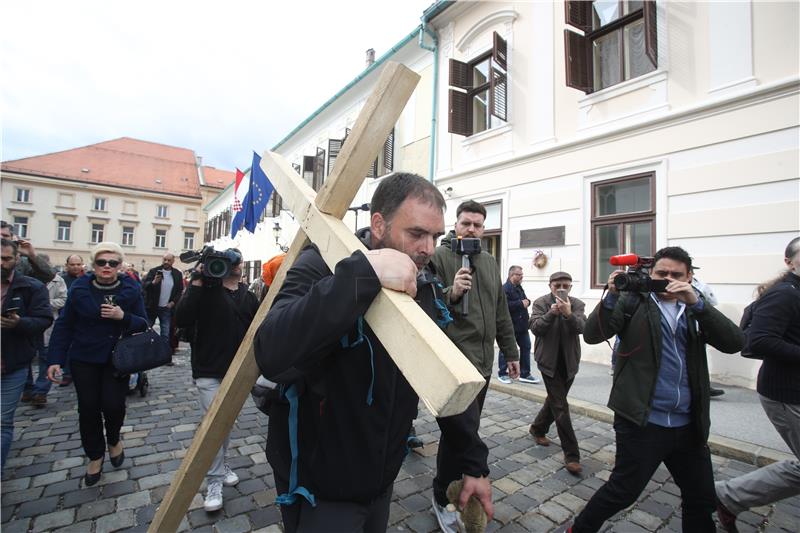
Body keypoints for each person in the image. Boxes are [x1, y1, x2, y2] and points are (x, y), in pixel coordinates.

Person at [254, 173, 492, 532]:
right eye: (416, 234)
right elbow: (272, 350)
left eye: (436, 236)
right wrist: (362, 275)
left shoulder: (424, 285)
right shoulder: (322, 264)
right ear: (378, 224)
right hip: (320, 488)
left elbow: (439, 374)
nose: (428, 248)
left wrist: (473, 462)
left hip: (381, 482)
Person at [569, 246, 744, 532]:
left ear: (689, 277)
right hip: (642, 420)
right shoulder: (634, 301)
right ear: (651, 273)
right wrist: (612, 296)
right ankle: (580, 529)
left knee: (701, 499)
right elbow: (592, 335)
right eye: (662, 273)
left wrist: (698, 305)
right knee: (623, 491)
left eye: (676, 274)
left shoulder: (693, 308)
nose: (667, 279)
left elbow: (735, 342)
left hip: (689, 424)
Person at [429, 199, 520, 532]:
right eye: (466, 223)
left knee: (459, 434)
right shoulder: (440, 257)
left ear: (483, 228)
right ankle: (443, 496)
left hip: (482, 364)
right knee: (461, 434)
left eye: (477, 225)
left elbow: (501, 311)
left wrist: (511, 353)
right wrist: (451, 292)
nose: (471, 229)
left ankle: (449, 490)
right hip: (453, 361)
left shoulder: (490, 261)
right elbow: (426, 300)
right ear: (456, 224)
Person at [715, 236, 800, 532]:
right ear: (789, 262)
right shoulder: (785, 294)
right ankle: (727, 495)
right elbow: (759, 340)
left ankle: (729, 496)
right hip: (787, 393)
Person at [47, 242, 148, 486]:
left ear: (119, 266)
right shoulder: (80, 289)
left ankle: (113, 439)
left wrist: (123, 317)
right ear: (93, 265)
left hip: (116, 359)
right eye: (102, 262)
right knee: (89, 408)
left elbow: (143, 323)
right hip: (84, 358)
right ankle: (94, 455)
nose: (107, 267)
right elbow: (64, 326)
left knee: (113, 406)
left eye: (112, 263)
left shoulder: (131, 290)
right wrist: (55, 359)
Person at [175, 248, 259, 513]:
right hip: (208, 370)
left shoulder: (248, 295)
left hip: (237, 373)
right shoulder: (205, 290)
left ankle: (222, 466)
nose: (236, 264)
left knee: (224, 424)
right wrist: (197, 282)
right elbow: (182, 318)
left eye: (236, 261)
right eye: (229, 261)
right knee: (214, 425)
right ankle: (214, 481)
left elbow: (258, 329)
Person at [1, 238, 52, 470]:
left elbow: (43, 319)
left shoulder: (30, 286)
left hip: (12, 364)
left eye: (5, 259)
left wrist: (20, 323)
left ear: (15, 260)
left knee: (2, 423)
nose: (1, 263)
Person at [529, 271, 586, 474]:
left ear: (570, 287)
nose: (561, 289)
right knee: (561, 405)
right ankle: (572, 455)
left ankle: (538, 428)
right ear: (550, 286)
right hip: (548, 362)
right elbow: (535, 328)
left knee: (555, 400)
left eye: (566, 285)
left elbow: (582, 328)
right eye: (557, 285)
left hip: (569, 362)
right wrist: (551, 313)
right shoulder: (541, 303)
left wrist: (569, 314)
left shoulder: (577, 304)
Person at [22, 263, 67, 406]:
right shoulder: (25, 280)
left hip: (48, 324)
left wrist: (44, 303)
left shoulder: (57, 280)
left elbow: (62, 299)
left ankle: (41, 392)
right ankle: (27, 388)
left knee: (46, 357)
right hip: (26, 324)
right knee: (25, 358)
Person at [497, 265, 540, 384]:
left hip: (522, 326)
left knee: (526, 347)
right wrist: (521, 303)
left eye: (522, 274)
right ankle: (502, 373)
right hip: (510, 325)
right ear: (512, 275)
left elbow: (525, 300)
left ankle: (525, 373)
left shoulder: (519, 287)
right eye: (519, 274)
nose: (522, 276)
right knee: (506, 349)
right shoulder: (505, 289)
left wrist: (528, 302)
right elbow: (504, 306)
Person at [142, 253, 183, 353]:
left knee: (165, 333)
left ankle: (164, 354)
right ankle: (144, 352)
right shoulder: (154, 271)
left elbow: (179, 290)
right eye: (164, 260)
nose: (166, 262)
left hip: (166, 308)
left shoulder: (177, 274)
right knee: (146, 330)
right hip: (152, 307)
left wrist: (173, 302)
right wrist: (153, 282)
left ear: (173, 261)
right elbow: (144, 286)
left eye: (169, 260)